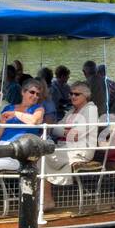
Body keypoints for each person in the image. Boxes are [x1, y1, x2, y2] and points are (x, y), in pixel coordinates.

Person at [0, 78, 47, 213]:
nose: (35, 96)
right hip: (3, 145)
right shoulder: (8, 108)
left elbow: (34, 121)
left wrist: (16, 114)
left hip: (21, 150)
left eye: (38, 94)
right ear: (23, 92)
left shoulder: (38, 109)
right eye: (32, 92)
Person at [42, 81, 100, 209]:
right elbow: (54, 128)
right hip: (66, 146)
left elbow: (76, 135)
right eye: (71, 93)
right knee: (40, 152)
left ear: (86, 96)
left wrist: (65, 130)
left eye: (76, 94)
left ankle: (47, 200)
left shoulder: (91, 110)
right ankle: (43, 197)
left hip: (81, 150)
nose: (72, 96)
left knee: (43, 156)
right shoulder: (72, 111)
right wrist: (66, 130)